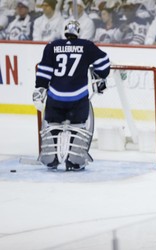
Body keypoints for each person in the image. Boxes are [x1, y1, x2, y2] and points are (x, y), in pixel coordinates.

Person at [32, 20, 110, 171]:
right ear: (78, 32)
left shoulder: (52, 46)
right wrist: (100, 76)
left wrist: (40, 89)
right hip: (78, 97)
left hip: (55, 97)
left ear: (64, 31)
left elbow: (44, 70)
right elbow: (104, 62)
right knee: (78, 127)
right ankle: (74, 161)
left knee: (52, 125)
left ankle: (50, 158)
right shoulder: (87, 46)